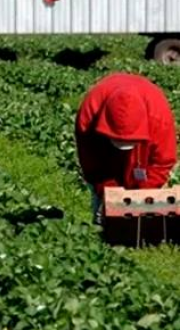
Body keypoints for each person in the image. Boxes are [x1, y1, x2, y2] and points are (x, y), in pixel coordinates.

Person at [75, 73, 176, 223]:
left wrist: (141, 198)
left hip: (143, 161)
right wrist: (110, 194)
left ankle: (147, 236)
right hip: (104, 155)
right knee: (103, 213)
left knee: (151, 214)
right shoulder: (89, 115)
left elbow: (162, 163)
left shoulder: (159, 118)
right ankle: (103, 233)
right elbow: (92, 166)